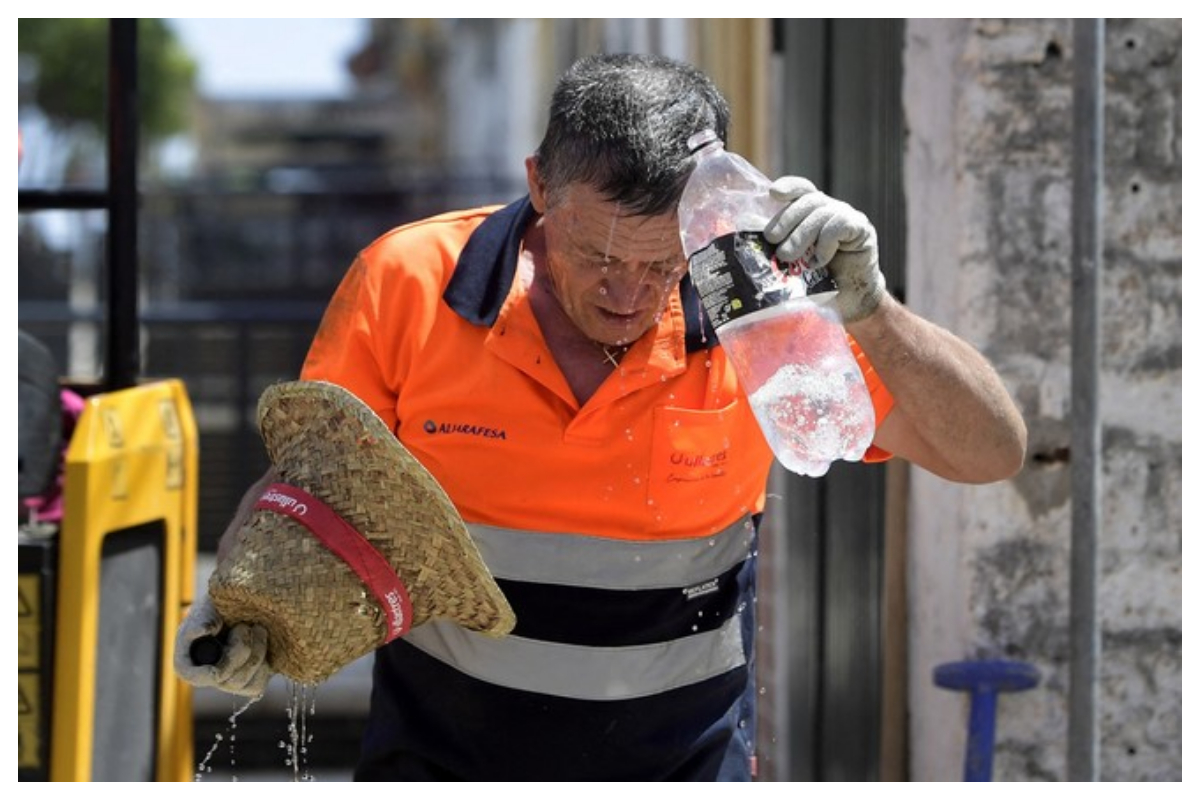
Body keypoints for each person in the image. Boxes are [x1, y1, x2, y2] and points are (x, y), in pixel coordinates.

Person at [174, 53, 1027, 780]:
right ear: (540, 185)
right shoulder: (410, 281)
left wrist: (872, 309)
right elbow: (311, 490)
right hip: (441, 762)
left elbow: (991, 451)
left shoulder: (763, 310)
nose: (629, 295)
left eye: (662, 265)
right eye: (598, 256)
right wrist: (246, 597)